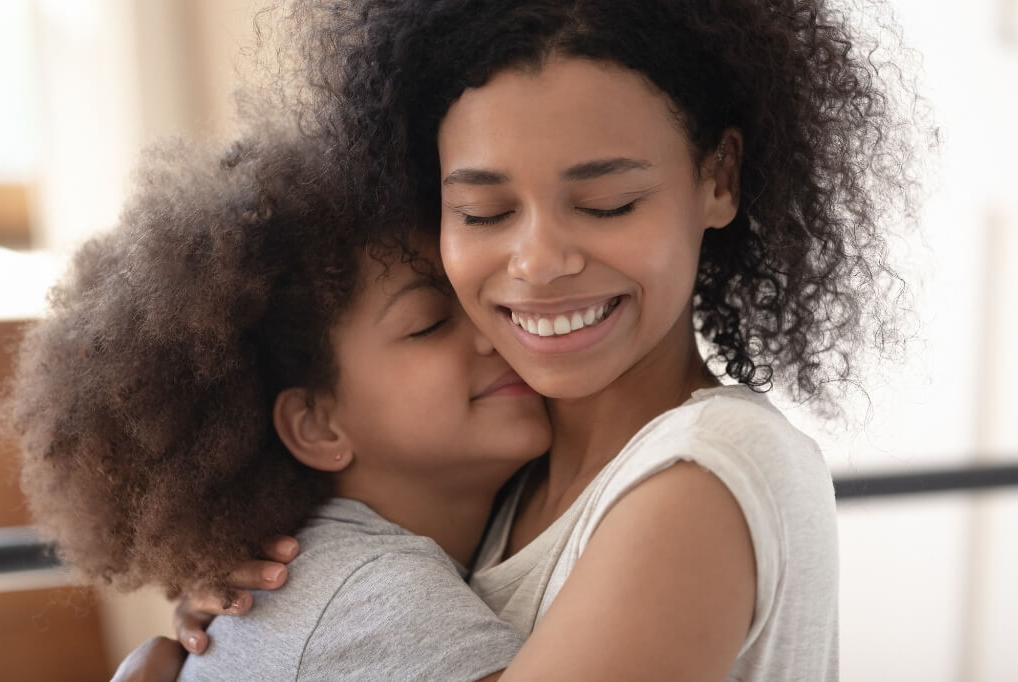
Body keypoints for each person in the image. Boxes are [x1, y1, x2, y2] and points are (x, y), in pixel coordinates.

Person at [133, 0, 926, 679]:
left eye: (610, 203)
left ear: (717, 179)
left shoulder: (706, 471)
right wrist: (244, 629)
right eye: (483, 213)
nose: (540, 263)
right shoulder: (505, 474)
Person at [0, 131, 554, 680]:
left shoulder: (332, 575)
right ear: (317, 425)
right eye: (431, 324)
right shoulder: (373, 595)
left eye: (479, 298)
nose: (491, 331)